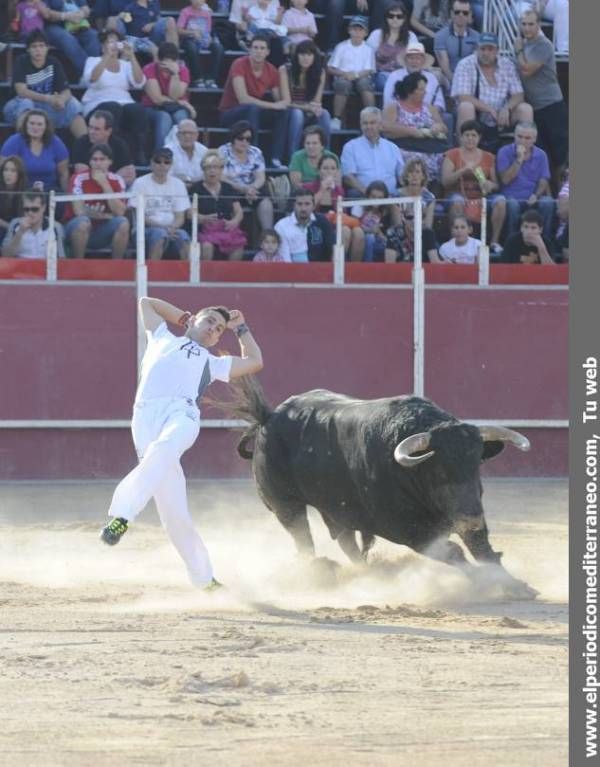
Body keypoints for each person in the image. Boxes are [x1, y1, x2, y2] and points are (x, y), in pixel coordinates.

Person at [99, 298, 263, 592]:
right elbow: (145, 303)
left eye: (219, 329)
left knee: (162, 450)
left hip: (182, 415)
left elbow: (255, 362)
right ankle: (205, 580)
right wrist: (181, 316)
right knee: (175, 515)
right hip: (145, 417)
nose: (214, 329)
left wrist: (241, 329)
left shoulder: (212, 362)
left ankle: (122, 516)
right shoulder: (161, 336)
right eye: (210, 321)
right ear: (194, 320)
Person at [218, 33, 290, 167]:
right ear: (249, 50)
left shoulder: (271, 70)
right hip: (230, 112)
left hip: (253, 112)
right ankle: (253, 155)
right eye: (255, 48)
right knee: (252, 108)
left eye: (262, 48)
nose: (258, 51)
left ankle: (276, 158)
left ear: (268, 52)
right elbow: (243, 98)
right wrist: (273, 105)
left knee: (283, 113)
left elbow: (280, 101)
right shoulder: (239, 64)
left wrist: (280, 103)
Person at [513, 7, 568, 181]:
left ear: (538, 25)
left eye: (531, 24)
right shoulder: (526, 44)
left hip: (552, 106)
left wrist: (518, 50)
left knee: (560, 155)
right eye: (524, 24)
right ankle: (549, 196)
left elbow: (526, 70)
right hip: (535, 109)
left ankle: (563, 194)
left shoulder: (544, 44)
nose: (527, 28)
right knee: (543, 153)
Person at [81, 30, 149, 165]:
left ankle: (139, 153)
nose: (113, 45)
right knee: (113, 107)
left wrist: (132, 57)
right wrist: (107, 56)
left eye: (115, 41)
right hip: (98, 103)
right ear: (102, 46)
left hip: (124, 102)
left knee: (138, 110)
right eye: (109, 41)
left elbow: (139, 82)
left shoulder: (125, 65)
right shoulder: (93, 61)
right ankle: (112, 151)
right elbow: (91, 79)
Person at [3, 29, 87, 139]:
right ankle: (24, 146)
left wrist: (61, 99)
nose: (38, 50)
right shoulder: (22, 61)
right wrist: (48, 98)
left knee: (73, 104)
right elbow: (21, 92)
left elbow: (66, 91)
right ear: (28, 49)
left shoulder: (54, 62)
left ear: (47, 48)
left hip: (45, 107)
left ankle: (86, 146)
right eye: (34, 46)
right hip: (17, 106)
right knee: (26, 104)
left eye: (41, 46)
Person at [451, 33, 533, 142]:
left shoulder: (507, 65)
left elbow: (519, 95)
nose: (486, 53)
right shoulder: (465, 64)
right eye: (483, 49)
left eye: (490, 49)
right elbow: (463, 97)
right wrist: (489, 109)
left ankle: (526, 152)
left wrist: (507, 108)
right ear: (476, 49)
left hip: (503, 117)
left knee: (525, 109)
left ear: (497, 50)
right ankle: (463, 154)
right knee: (466, 106)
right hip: (477, 116)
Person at [440, 119, 505, 256]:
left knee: (500, 201)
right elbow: (445, 181)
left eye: (474, 135)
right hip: (457, 193)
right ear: (461, 137)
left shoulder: (488, 157)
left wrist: (489, 185)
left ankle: (494, 242)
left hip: (482, 196)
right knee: (457, 201)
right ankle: (456, 240)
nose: (470, 138)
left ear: (479, 138)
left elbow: (496, 184)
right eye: (467, 135)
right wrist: (462, 170)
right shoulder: (452, 154)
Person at [63, 143, 130, 258]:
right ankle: (78, 266)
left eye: (102, 159)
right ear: (90, 162)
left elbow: (120, 212)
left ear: (110, 162)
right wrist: (105, 216)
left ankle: (117, 268)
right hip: (75, 229)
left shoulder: (117, 180)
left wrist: (104, 184)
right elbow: (79, 211)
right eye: (95, 159)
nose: (98, 163)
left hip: (102, 232)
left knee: (123, 223)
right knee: (83, 222)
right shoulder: (78, 178)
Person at [381, 72, 448, 183]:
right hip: (406, 149)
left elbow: (444, 128)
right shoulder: (394, 107)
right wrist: (411, 131)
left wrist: (438, 126)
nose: (425, 92)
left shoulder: (430, 108)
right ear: (410, 91)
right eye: (421, 89)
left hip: (430, 149)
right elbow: (386, 128)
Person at [129, 146, 191, 260]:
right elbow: (140, 216)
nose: (162, 165)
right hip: (144, 230)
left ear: (171, 164)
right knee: (160, 235)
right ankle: (153, 273)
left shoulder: (178, 184)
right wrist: (164, 229)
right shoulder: (140, 183)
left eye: (166, 162)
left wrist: (171, 228)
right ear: (151, 163)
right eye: (158, 161)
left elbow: (180, 217)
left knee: (184, 237)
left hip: (171, 229)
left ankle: (188, 275)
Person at [497, 120, 554, 241]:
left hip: (532, 197)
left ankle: (546, 241)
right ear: (514, 135)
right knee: (512, 205)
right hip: (511, 197)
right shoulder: (504, 152)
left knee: (548, 202)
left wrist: (536, 195)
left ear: (534, 139)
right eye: (519, 137)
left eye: (527, 138)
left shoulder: (541, 155)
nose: (522, 141)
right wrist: (519, 159)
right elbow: (505, 180)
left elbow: (544, 180)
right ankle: (511, 242)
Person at [303, 153, 364, 261]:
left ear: (336, 172)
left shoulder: (339, 190)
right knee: (345, 230)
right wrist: (322, 190)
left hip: (335, 224)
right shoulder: (309, 187)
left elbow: (342, 214)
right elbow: (306, 210)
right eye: (325, 168)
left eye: (332, 168)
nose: (329, 171)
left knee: (358, 232)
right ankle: (335, 268)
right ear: (319, 171)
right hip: (315, 224)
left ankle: (354, 270)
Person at [217, 121, 273, 233]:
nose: (244, 142)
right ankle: (234, 236)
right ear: (233, 138)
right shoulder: (223, 151)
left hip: (252, 190)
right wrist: (243, 188)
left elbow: (260, 177)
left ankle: (268, 235)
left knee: (264, 197)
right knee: (226, 190)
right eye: (240, 138)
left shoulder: (255, 152)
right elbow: (221, 177)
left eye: (248, 139)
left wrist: (252, 188)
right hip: (232, 188)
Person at [190, 150, 247, 261]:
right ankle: (205, 276)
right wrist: (203, 218)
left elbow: (239, 211)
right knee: (207, 246)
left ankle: (230, 276)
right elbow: (189, 213)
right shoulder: (196, 188)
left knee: (238, 247)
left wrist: (234, 222)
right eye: (208, 167)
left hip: (226, 228)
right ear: (203, 170)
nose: (212, 171)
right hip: (206, 229)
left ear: (221, 170)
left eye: (216, 167)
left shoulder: (228, 188)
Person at [279, 39, 331, 155]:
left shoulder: (320, 72)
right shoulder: (285, 70)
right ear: (296, 56)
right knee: (297, 114)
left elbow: (316, 103)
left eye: (309, 54)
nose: (305, 58)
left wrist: (310, 108)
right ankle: (293, 156)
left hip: (308, 112)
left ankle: (325, 155)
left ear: (314, 57)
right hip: (290, 113)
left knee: (325, 114)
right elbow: (286, 102)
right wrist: (307, 107)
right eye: (302, 54)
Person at [340, 106, 405, 198]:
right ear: (360, 125)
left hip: (390, 196)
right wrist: (369, 193)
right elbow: (348, 178)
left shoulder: (392, 148)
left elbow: (402, 175)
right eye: (365, 123)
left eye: (372, 123)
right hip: (363, 195)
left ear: (380, 124)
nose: (368, 126)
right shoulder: (350, 147)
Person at [142, 42, 196, 152]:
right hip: (152, 108)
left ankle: (185, 154)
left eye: (172, 61)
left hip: (175, 108)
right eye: (165, 62)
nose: (168, 65)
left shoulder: (183, 71)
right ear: (159, 61)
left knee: (181, 117)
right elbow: (157, 99)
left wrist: (175, 74)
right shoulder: (149, 69)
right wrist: (182, 103)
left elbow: (175, 95)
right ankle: (161, 156)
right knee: (164, 117)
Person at [0, 109, 69, 192]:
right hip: (21, 191)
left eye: (39, 124)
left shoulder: (56, 142)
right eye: (32, 123)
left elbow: (63, 174)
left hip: (49, 191)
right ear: (26, 125)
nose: (35, 127)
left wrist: (66, 197)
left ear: (46, 127)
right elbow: (3, 171)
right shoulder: (13, 141)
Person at [327, 16, 375, 131]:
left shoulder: (369, 49)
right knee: (343, 84)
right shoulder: (341, 46)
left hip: (361, 76)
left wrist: (356, 75)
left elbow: (369, 69)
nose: (357, 32)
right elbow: (330, 68)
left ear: (366, 33)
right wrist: (344, 74)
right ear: (349, 30)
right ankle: (336, 118)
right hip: (343, 76)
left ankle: (373, 117)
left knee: (364, 84)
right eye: (354, 29)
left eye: (360, 30)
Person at [390, 157, 439, 262]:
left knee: (428, 233)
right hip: (402, 233)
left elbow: (428, 225)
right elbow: (397, 223)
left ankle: (435, 264)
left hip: (421, 233)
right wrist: (409, 228)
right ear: (406, 176)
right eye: (410, 172)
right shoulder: (395, 196)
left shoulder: (429, 197)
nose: (414, 175)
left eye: (417, 172)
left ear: (423, 176)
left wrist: (415, 228)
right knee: (394, 232)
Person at [71, 108, 136, 187]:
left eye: (96, 129)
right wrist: (114, 178)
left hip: (114, 192)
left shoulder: (119, 144)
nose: (91, 132)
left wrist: (102, 179)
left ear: (108, 131)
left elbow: (129, 175)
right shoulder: (81, 143)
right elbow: (82, 174)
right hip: (88, 191)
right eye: (90, 127)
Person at [366, 2, 418, 91]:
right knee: (388, 81)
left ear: (404, 18)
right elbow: (367, 59)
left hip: (404, 75)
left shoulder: (411, 36)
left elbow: (416, 58)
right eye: (391, 16)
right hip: (381, 75)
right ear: (386, 18)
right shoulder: (376, 35)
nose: (395, 19)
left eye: (399, 16)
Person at [382, 41, 445, 113]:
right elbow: (388, 100)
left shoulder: (431, 78)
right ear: (405, 60)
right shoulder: (394, 76)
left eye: (418, 58)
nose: (414, 61)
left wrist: (429, 113)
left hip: (427, 116)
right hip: (399, 115)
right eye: (411, 58)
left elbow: (439, 102)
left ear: (423, 61)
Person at [44, 0, 101, 78]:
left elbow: (86, 8)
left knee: (93, 35)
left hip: (77, 24)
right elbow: (46, 14)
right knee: (67, 38)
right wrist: (66, 16)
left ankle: (90, 75)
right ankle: (91, 75)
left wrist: (82, 14)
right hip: (53, 26)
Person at [274, 189, 334, 262]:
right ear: (293, 206)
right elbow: (285, 260)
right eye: (299, 204)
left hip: (321, 270)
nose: (303, 208)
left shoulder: (322, 221)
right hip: (294, 270)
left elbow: (333, 247)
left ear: (313, 206)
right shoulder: (281, 226)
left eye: (307, 204)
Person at [2, 190, 65, 258]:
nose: (30, 213)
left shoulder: (55, 227)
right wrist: (20, 232)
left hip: (45, 267)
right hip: (20, 266)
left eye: (35, 209)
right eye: (26, 209)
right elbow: (5, 255)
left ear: (43, 208)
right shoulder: (15, 224)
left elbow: (61, 258)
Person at [177, 0, 224, 89]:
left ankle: (211, 79)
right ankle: (198, 78)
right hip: (189, 39)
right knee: (192, 48)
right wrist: (191, 33)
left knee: (218, 47)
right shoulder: (185, 12)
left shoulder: (206, 14)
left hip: (203, 39)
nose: (198, 1)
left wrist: (209, 39)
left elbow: (208, 31)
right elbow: (179, 30)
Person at [433, 0, 480, 88]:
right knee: (436, 75)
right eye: (457, 12)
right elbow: (445, 67)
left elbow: (475, 64)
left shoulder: (477, 37)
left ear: (470, 15)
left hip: (469, 78)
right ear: (451, 14)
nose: (461, 15)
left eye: (465, 13)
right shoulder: (440, 36)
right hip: (448, 78)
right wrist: (457, 83)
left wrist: (464, 83)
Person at [288, 124, 338, 189]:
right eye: (307, 143)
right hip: (304, 195)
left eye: (314, 143)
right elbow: (296, 185)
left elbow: (337, 185)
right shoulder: (297, 157)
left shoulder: (332, 157)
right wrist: (318, 185)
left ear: (322, 145)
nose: (310, 147)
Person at [359, 181, 397, 263]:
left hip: (380, 242)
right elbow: (355, 227)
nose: (376, 200)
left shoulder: (386, 213)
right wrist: (370, 230)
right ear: (368, 195)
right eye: (373, 196)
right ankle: (367, 267)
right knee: (370, 238)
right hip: (361, 240)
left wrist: (379, 233)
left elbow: (388, 240)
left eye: (380, 198)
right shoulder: (360, 207)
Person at [164, 118, 208, 189]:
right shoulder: (168, 150)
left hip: (199, 190)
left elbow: (208, 176)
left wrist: (186, 179)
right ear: (177, 135)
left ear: (197, 135)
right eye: (184, 133)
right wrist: (193, 180)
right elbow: (166, 177)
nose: (187, 136)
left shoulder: (204, 151)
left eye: (191, 133)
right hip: (174, 190)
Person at [0, 156, 28, 240]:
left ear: (19, 174)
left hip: (20, 230)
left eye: (13, 171)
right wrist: (10, 227)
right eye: (6, 170)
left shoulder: (26, 191)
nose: (8, 174)